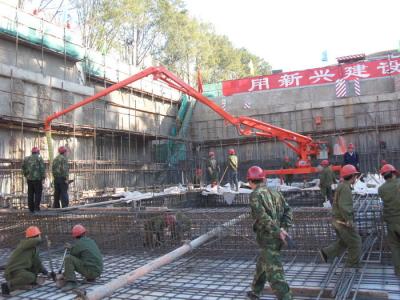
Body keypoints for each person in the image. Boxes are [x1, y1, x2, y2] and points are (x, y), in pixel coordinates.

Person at [246, 166, 293, 300]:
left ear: (250, 181)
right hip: (278, 237)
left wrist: (279, 231)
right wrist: (284, 228)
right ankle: (256, 291)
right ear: (263, 179)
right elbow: (288, 211)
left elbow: (262, 217)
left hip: (269, 238)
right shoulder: (275, 192)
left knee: (275, 274)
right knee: (263, 263)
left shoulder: (255, 194)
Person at [320, 164, 362, 268]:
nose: (356, 178)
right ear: (352, 176)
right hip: (342, 221)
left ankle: (326, 253)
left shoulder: (342, 185)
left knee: (344, 241)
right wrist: (349, 220)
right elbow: (344, 206)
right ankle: (352, 266)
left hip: (337, 220)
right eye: (355, 176)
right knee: (356, 242)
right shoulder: (346, 188)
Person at [1, 226, 53, 295]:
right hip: (13, 272)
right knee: (31, 277)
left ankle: (24, 283)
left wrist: (47, 273)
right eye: (39, 235)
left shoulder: (33, 248)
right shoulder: (25, 244)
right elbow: (35, 241)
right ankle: (7, 286)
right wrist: (44, 241)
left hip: (21, 270)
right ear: (37, 236)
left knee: (34, 273)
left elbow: (38, 264)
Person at [62, 224, 103, 290]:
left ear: (75, 236)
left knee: (68, 258)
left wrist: (66, 273)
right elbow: (82, 249)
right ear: (85, 233)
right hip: (98, 270)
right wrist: (72, 247)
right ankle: (91, 278)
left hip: (91, 272)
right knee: (86, 258)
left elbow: (73, 255)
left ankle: (71, 283)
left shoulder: (79, 244)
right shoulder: (90, 241)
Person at [378, 164, 400, 276]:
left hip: (390, 222)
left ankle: (398, 271)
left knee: (395, 247)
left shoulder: (381, 189)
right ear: (393, 173)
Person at [22, 147, 45, 212]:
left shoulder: (26, 158)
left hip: (29, 179)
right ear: (38, 152)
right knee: (38, 193)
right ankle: (36, 208)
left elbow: (23, 167)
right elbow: (42, 168)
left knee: (30, 194)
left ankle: (31, 208)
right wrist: (43, 178)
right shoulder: (39, 158)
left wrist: (26, 175)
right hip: (37, 179)